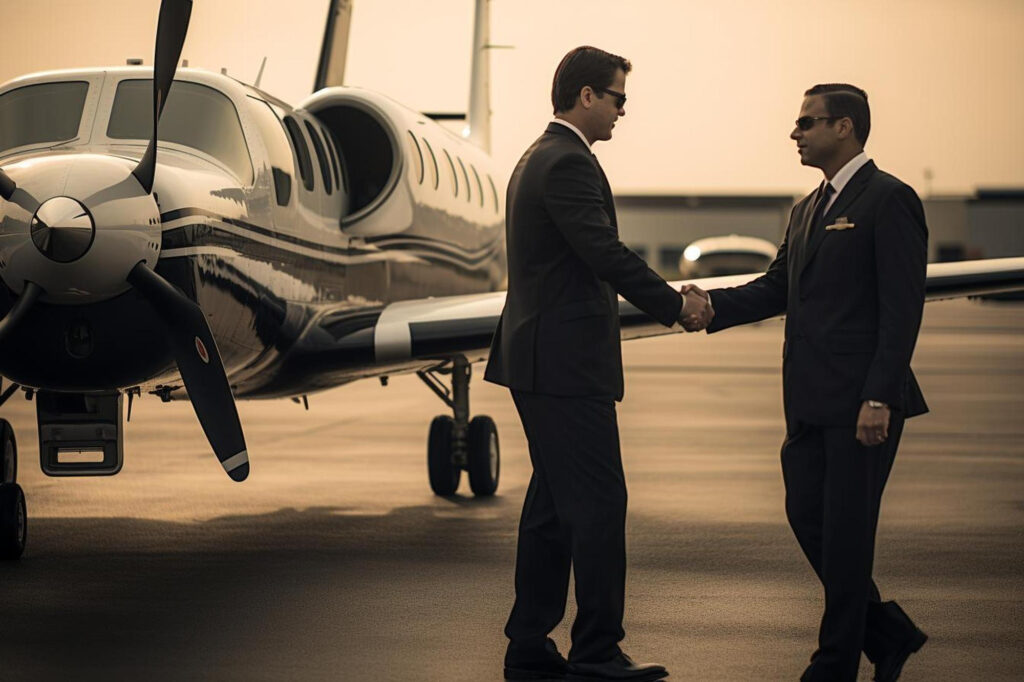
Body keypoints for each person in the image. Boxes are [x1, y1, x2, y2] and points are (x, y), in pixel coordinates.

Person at [484, 46, 710, 682]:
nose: (621, 111)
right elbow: (604, 253)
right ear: (586, 95)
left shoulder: (539, 156)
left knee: (553, 508)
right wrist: (676, 304)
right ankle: (596, 649)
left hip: (541, 357)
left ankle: (529, 643)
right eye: (618, 98)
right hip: (562, 362)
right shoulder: (565, 163)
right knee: (600, 503)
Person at [691, 84, 929, 681]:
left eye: (807, 122)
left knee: (848, 539)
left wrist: (879, 395)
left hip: (861, 403)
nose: (795, 133)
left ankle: (834, 665)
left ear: (844, 127)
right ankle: (888, 633)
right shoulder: (805, 210)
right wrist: (706, 306)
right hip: (807, 400)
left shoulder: (890, 199)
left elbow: (902, 311)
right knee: (808, 517)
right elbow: (776, 288)